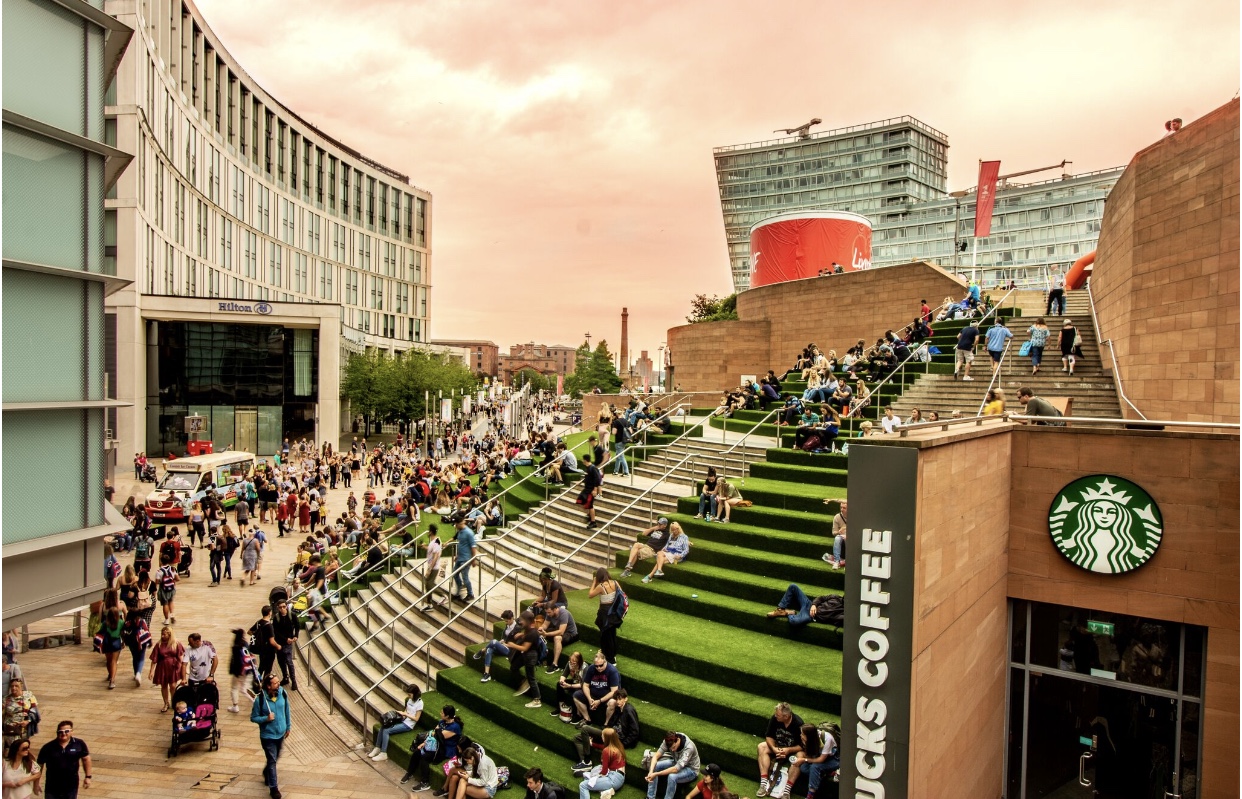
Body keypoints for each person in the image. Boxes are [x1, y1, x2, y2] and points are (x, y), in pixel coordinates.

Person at [573, 687, 639, 773]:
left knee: (585, 729)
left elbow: (635, 732)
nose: (618, 701)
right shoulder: (618, 709)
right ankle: (584, 762)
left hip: (617, 739)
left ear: (625, 699)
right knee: (577, 738)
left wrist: (622, 744)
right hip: (608, 734)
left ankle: (587, 761)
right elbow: (610, 724)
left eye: (620, 699)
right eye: (617, 699)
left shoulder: (629, 710)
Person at [250, 673, 291, 799]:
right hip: (268, 736)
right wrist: (266, 718)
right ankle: (274, 788)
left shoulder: (283, 693)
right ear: (268, 686)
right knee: (272, 760)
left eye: (278, 682)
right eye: (275, 683)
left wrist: (288, 726)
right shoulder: (260, 700)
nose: (278, 684)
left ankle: (266, 771)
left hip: (280, 733)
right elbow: (254, 717)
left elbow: (287, 709)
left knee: (275, 757)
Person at [402, 705, 463, 790]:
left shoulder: (455, 727)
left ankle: (425, 782)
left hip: (445, 749)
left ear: (447, 716)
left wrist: (437, 731)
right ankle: (409, 773)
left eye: (442, 713)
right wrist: (424, 743)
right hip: (434, 745)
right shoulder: (442, 721)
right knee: (417, 751)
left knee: (425, 757)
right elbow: (433, 734)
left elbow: (440, 737)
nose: (440, 713)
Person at [755, 703, 804, 797]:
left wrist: (788, 750)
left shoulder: (798, 723)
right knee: (761, 746)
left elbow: (802, 745)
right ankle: (763, 783)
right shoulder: (774, 719)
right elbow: (769, 736)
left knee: (800, 756)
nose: (775, 715)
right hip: (778, 745)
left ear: (786, 716)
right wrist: (774, 749)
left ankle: (786, 791)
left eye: (778, 715)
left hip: (792, 748)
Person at [35, 721, 91, 799]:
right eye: (60, 732)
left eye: (66, 731)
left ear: (71, 732)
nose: (63, 734)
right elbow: (39, 765)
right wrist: (36, 783)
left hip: (71, 785)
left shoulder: (79, 744)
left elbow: (86, 759)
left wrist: (88, 777)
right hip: (52, 786)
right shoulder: (48, 747)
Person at [368, 684, 423, 762]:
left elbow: (416, 718)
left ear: (415, 694)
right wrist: (401, 714)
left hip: (408, 725)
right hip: (403, 720)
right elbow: (406, 711)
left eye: (410, 694)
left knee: (386, 731)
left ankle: (383, 753)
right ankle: (377, 748)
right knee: (384, 726)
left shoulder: (420, 703)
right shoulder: (410, 700)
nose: (408, 696)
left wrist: (405, 714)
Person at [785, 723, 840, 799]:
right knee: (803, 768)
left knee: (814, 767)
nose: (801, 735)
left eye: (802, 734)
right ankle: (828, 772)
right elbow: (811, 754)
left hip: (833, 760)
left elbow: (821, 759)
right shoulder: (810, 739)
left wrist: (804, 759)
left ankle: (810, 795)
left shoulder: (827, 738)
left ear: (809, 735)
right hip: (820, 757)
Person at [572, 651, 620, 736]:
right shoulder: (591, 668)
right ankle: (587, 719)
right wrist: (589, 698)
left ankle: (606, 724)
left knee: (612, 702)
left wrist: (600, 701)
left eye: (601, 665)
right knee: (576, 695)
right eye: (596, 666)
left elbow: (614, 691)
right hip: (593, 695)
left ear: (605, 662)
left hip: (607, 697)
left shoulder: (612, 671)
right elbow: (585, 685)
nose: (598, 668)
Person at [645, 731, 700, 799]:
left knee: (672, 777)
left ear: (678, 740)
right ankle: (650, 797)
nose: (672, 750)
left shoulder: (689, 748)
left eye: (674, 747)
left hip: (691, 770)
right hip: (676, 762)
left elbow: (675, 769)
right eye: (670, 749)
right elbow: (656, 756)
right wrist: (651, 772)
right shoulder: (668, 740)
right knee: (655, 766)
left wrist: (656, 774)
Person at [576, 728, 626, 799]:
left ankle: (605, 789)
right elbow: (603, 747)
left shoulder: (607, 751)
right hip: (620, 778)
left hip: (612, 778)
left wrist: (595, 776)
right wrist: (592, 744)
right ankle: (606, 791)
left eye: (602, 736)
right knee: (591, 779)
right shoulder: (618, 746)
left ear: (606, 738)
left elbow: (604, 772)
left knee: (583, 785)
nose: (601, 737)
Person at [766, 586, 843, 630]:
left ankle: (789, 613)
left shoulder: (844, 612)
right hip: (809, 604)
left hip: (811, 615)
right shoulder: (836, 597)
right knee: (793, 586)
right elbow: (821, 598)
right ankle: (780, 609)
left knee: (794, 621)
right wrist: (814, 605)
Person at [474, 610, 518, 683]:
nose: (505, 622)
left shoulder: (517, 628)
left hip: (510, 650)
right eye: (505, 621)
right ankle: (486, 674)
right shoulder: (508, 625)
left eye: (507, 621)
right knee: (489, 650)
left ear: (512, 618)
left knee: (494, 641)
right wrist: (501, 641)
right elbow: (505, 637)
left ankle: (482, 651)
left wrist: (506, 644)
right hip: (503, 646)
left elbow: (517, 643)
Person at [589, 568, 622, 665]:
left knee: (606, 635)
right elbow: (621, 593)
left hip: (605, 613)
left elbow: (590, 595)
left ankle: (610, 658)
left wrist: (594, 582)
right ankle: (611, 654)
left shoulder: (601, 586)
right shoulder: (615, 582)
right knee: (612, 634)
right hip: (614, 612)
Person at [540, 606, 579, 674]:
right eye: (547, 612)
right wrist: (541, 629)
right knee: (540, 634)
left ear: (555, 609)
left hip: (571, 634)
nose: (548, 614)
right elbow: (545, 625)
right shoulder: (549, 612)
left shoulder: (564, 614)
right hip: (558, 629)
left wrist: (546, 634)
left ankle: (555, 664)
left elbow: (561, 632)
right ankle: (540, 657)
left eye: (549, 612)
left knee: (557, 638)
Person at [1, 679, 36, 750]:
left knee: (23, 749)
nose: (14, 688)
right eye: (12, 686)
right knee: (12, 750)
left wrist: (28, 721)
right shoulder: (6, 699)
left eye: (16, 686)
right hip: (11, 731)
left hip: (24, 730)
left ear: (21, 686)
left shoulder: (29, 695)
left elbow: (34, 711)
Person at [452, 516, 478, 602]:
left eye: (456, 524)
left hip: (466, 559)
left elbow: (473, 547)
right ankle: (458, 592)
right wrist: (457, 555)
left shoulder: (469, 533)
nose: (455, 526)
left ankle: (470, 593)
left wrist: (473, 559)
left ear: (460, 523)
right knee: (455, 574)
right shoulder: (460, 532)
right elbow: (461, 544)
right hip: (460, 558)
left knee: (465, 577)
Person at [576, 454, 603, 530]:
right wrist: (580, 482)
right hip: (586, 489)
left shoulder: (593, 468)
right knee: (581, 500)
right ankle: (589, 514)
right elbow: (588, 477)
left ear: (585, 460)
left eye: (583, 459)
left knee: (590, 505)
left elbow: (597, 479)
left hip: (590, 490)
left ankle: (593, 521)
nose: (582, 461)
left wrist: (595, 490)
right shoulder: (588, 468)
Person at [823, 500, 847, 568]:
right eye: (841, 507)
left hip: (851, 537)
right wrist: (839, 532)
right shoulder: (837, 517)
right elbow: (834, 533)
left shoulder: (854, 517)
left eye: (844, 508)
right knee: (837, 538)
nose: (842, 509)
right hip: (841, 536)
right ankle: (837, 561)